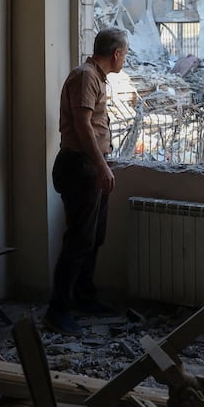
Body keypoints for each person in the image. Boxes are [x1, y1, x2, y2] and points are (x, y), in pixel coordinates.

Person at [45, 28, 129, 335]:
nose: (125, 60)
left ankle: (83, 296)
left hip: (91, 167)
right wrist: (101, 166)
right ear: (116, 54)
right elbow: (82, 125)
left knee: (95, 236)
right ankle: (58, 310)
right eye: (125, 54)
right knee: (79, 239)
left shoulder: (95, 77)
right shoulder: (85, 76)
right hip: (80, 167)